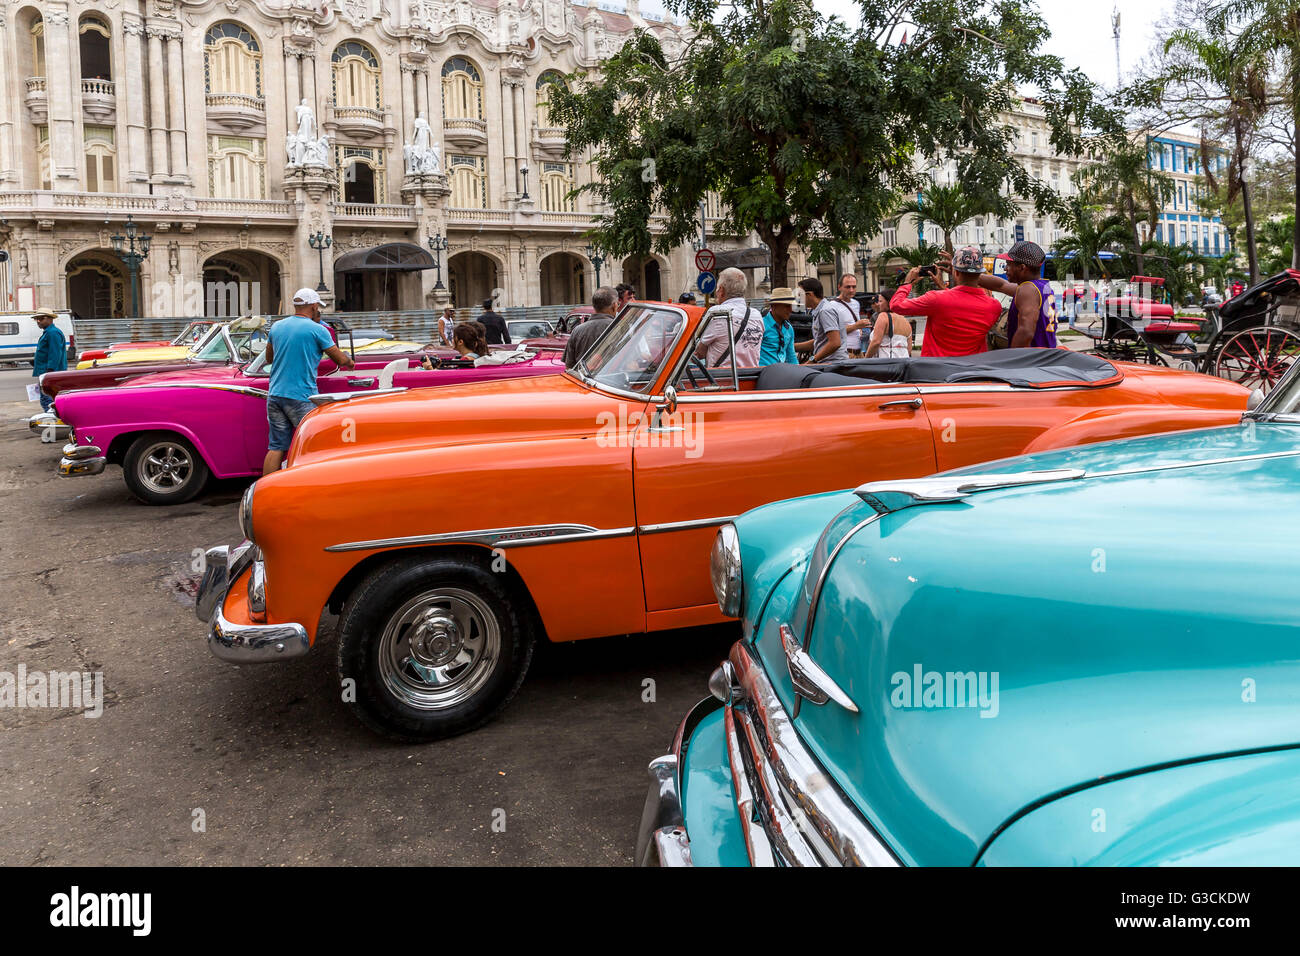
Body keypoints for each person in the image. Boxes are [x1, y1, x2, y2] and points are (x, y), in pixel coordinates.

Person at [262, 288, 354, 475]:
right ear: (313, 306)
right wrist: (350, 361)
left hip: (275, 394)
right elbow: (340, 360)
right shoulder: (318, 330)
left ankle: (266, 489)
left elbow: (269, 358)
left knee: (277, 447)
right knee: (312, 444)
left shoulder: (277, 327)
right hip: (301, 396)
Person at [888, 246, 1002, 357]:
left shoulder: (936, 299)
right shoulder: (994, 307)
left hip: (937, 372)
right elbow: (962, 304)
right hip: (971, 372)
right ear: (980, 274)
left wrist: (907, 283)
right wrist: (946, 286)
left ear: (956, 273)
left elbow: (896, 305)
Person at [962, 240, 1056, 349]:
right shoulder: (1040, 287)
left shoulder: (1027, 290)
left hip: (1032, 360)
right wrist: (965, 273)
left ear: (1022, 267)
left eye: (1008, 265)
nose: (1005, 268)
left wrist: (1012, 358)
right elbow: (1001, 285)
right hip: (1045, 356)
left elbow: (1026, 331)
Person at [696, 267, 764, 367]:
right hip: (751, 376)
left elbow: (699, 353)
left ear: (722, 290)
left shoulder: (717, 312)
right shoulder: (756, 315)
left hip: (722, 379)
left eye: (717, 288)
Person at [794, 277, 849, 363]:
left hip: (832, 365)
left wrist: (812, 360)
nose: (799, 299)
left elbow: (835, 343)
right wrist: (793, 347)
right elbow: (820, 341)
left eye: (800, 295)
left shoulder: (825, 311)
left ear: (810, 295)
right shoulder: (822, 309)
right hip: (830, 364)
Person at [563, 286, 618, 367]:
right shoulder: (619, 328)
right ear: (614, 306)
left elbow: (569, 367)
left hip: (581, 378)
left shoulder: (577, 330)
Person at [31, 309, 67, 412]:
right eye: (37, 319)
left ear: (50, 319)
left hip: (49, 372)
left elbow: (55, 354)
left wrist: (50, 372)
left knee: (47, 400)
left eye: (41, 319)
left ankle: (52, 422)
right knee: (46, 399)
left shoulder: (53, 333)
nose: (38, 321)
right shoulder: (49, 332)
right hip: (45, 371)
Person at [864, 290, 912, 358]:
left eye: (880, 301)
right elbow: (909, 349)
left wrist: (866, 359)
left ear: (889, 302)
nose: (878, 304)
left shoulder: (883, 316)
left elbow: (876, 342)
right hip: (903, 362)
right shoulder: (905, 321)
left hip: (886, 363)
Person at [759, 287, 799, 365]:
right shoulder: (761, 325)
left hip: (780, 372)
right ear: (774, 306)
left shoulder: (789, 328)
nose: (791, 310)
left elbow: (791, 356)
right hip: (762, 372)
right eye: (787, 306)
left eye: (791, 306)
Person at [834, 274, 869, 357]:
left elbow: (854, 325)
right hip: (844, 353)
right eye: (848, 287)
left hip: (859, 352)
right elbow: (833, 333)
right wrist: (856, 326)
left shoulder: (856, 304)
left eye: (854, 287)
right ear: (839, 287)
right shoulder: (832, 305)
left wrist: (860, 328)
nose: (851, 290)